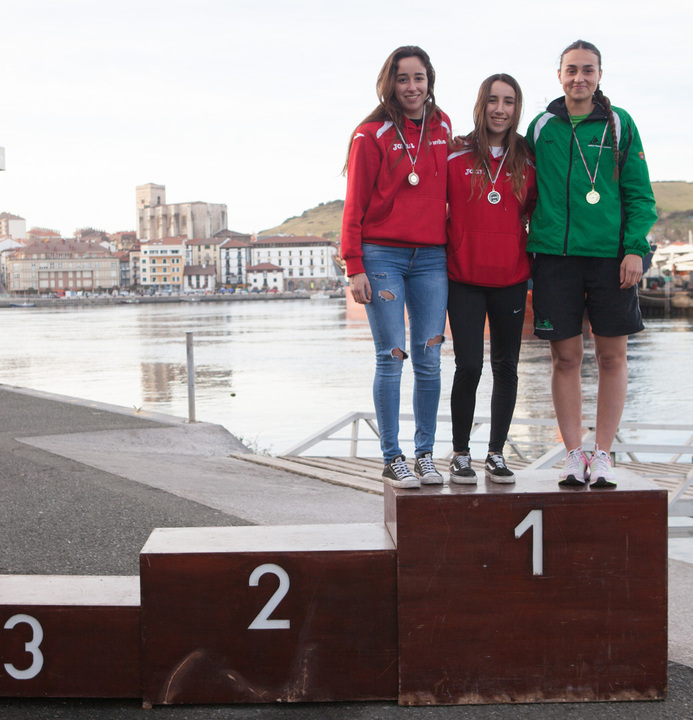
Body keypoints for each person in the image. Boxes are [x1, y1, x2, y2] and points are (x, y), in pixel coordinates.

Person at [526, 40, 657, 488]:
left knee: (611, 357)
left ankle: (602, 454)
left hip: (610, 259)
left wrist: (635, 249)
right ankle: (572, 454)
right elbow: (521, 184)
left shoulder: (620, 123)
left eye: (587, 70)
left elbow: (639, 193)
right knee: (565, 358)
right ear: (559, 75)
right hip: (555, 257)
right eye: (571, 70)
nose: (579, 78)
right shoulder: (541, 126)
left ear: (600, 74)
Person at [341, 46, 451, 489]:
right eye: (403, 78)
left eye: (418, 78)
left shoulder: (443, 127)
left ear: (429, 81)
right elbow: (354, 203)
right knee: (392, 357)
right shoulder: (370, 135)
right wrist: (354, 264)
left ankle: (425, 455)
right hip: (381, 256)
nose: (412, 87)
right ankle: (392, 457)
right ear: (390, 84)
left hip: (432, 258)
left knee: (430, 359)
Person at [446, 74, 536, 485]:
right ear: (481, 105)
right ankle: (460, 453)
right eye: (493, 100)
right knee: (468, 365)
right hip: (463, 276)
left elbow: (536, 212)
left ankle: (496, 454)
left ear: (517, 109)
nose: (501, 109)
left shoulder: (528, 161)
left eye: (509, 102)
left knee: (506, 367)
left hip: (511, 277)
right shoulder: (455, 154)